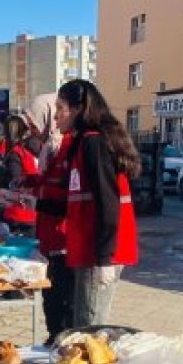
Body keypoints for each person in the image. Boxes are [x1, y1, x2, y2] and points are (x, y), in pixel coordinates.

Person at [55, 79, 140, 328]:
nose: (56, 116)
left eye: (61, 108)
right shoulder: (83, 143)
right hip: (89, 250)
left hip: (99, 252)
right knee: (84, 321)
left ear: (78, 109)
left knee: (90, 325)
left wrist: (105, 259)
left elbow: (107, 201)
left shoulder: (94, 143)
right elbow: (79, 202)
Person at [23, 93, 73, 345]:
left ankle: (62, 341)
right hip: (47, 235)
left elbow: (68, 197)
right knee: (50, 293)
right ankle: (53, 337)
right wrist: (27, 183)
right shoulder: (48, 149)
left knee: (62, 296)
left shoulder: (65, 147)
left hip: (64, 237)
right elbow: (47, 182)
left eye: (33, 122)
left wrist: (36, 201)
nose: (30, 128)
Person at [0, 115, 38, 233]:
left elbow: (16, 181)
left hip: (19, 212)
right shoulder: (25, 152)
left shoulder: (15, 154)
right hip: (29, 210)